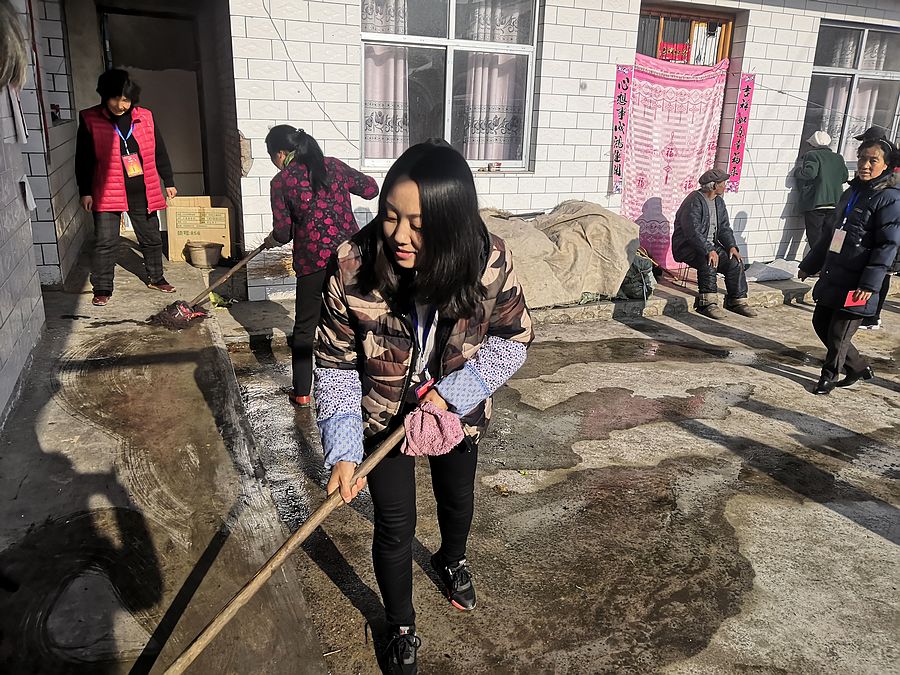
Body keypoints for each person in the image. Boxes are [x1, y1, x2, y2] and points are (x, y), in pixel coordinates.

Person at [313, 143, 533, 674]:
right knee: (394, 524)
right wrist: (343, 450)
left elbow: (515, 338)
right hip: (381, 414)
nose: (400, 236)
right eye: (391, 216)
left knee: (457, 498)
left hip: (455, 410)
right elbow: (335, 364)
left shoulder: (488, 262)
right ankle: (400, 625)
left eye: (419, 224)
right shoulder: (352, 267)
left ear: (453, 223)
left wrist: (458, 391)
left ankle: (451, 559)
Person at [261, 126, 378, 406]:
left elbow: (283, 233)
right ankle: (368, 384)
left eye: (272, 157)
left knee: (305, 327)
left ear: (281, 153)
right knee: (360, 320)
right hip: (350, 259)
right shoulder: (333, 166)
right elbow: (371, 189)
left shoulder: (281, 182)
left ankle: (302, 392)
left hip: (312, 262)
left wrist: (273, 239)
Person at [798, 140, 900, 394]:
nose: (865, 165)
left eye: (873, 160)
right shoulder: (852, 192)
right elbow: (832, 233)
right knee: (821, 322)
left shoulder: (889, 198)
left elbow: (887, 245)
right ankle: (857, 367)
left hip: (860, 280)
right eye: (862, 158)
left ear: (886, 165)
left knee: (839, 332)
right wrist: (810, 264)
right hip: (836, 271)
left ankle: (829, 376)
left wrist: (869, 284)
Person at [75, 69, 177, 307]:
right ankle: (103, 287)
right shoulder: (90, 119)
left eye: (126, 100)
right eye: (115, 98)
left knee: (151, 237)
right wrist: (85, 191)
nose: (120, 105)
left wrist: (169, 181)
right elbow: (83, 159)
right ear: (104, 95)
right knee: (106, 241)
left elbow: (159, 151)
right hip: (107, 190)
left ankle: (156, 278)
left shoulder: (145, 117)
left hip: (142, 188)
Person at [671, 168, 758, 319]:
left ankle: (737, 300)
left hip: (710, 246)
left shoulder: (719, 202)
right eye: (722, 183)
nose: (725, 186)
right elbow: (693, 232)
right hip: (688, 247)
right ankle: (708, 303)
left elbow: (724, 227)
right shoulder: (693, 201)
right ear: (713, 185)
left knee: (735, 262)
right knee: (709, 260)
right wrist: (708, 249)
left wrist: (731, 246)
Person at [860, 162, 900, 330]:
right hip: (887, 237)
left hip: (892, 241)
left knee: (881, 276)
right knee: (881, 276)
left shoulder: (892, 188)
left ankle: (872, 316)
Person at [795, 131, 849, 250]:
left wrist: (797, 172)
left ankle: (817, 259)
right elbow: (845, 177)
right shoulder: (838, 157)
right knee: (834, 234)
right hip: (836, 202)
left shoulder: (812, 155)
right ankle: (833, 256)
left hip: (816, 202)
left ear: (813, 144)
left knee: (815, 236)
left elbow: (810, 173)